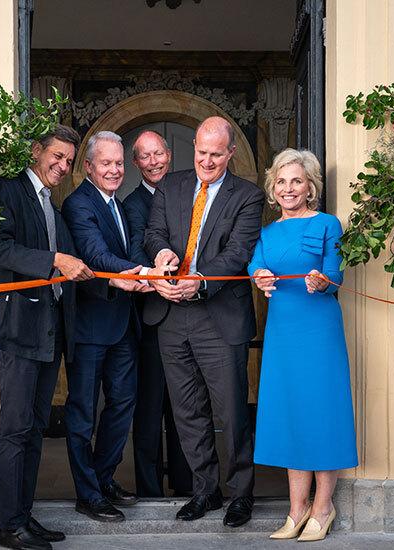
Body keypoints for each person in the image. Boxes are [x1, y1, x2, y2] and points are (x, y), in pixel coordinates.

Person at [0, 125, 137, 549]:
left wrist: (116, 282)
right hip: (17, 329)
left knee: (33, 428)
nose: (63, 166)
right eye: (58, 157)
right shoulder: (7, 189)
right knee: (14, 429)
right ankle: (9, 526)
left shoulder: (52, 203)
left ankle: (23, 518)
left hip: (50, 331)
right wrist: (55, 260)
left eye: (69, 160)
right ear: (36, 151)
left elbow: (79, 267)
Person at [144, 117, 264, 525]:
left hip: (219, 316)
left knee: (231, 412)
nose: (207, 161)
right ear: (192, 147)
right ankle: (205, 491)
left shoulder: (247, 196)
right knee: (188, 411)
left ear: (230, 153)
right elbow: (153, 231)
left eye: (216, 154)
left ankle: (240, 495)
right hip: (172, 315)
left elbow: (238, 254)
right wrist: (161, 256)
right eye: (201, 152)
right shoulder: (171, 186)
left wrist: (197, 282)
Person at [248, 148, 358, 542]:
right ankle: (296, 511)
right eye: (281, 181)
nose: (289, 188)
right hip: (283, 331)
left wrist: (321, 281)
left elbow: (334, 273)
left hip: (318, 331)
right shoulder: (267, 231)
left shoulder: (329, 224)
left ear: (310, 186)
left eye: (297, 180)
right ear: (272, 189)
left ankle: (323, 507)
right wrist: (258, 274)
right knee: (291, 413)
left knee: (321, 413)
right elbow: (255, 264)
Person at [61, 131, 151, 522]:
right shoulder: (77, 204)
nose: (114, 170)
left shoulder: (118, 203)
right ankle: (88, 494)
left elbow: (129, 250)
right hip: (89, 325)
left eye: (118, 163)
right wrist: (140, 271)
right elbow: (95, 253)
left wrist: (146, 268)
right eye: (106, 163)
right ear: (89, 167)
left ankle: (103, 477)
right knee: (82, 412)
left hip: (122, 322)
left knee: (123, 404)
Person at [122, 130, 192, 498]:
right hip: (150, 316)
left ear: (169, 153)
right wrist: (161, 268)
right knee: (148, 410)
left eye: (158, 154)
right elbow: (135, 250)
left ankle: (185, 487)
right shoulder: (132, 204)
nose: (154, 162)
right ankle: (149, 492)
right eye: (145, 157)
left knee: (184, 407)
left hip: (189, 315)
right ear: (136, 163)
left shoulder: (186, 192)